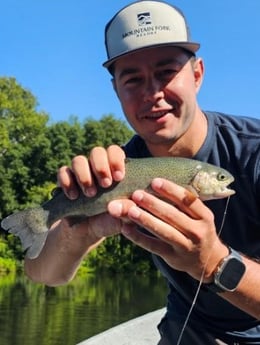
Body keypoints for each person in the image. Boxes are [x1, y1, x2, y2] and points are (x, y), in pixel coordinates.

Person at [25, 1, 260, 344]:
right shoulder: (118, 167)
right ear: (116, 90)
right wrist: (80, 231)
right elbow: (42, 273)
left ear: (197, 74)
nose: (153, 94)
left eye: (166, 72)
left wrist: (214, 264)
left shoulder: (253, 153)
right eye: (133, 79)